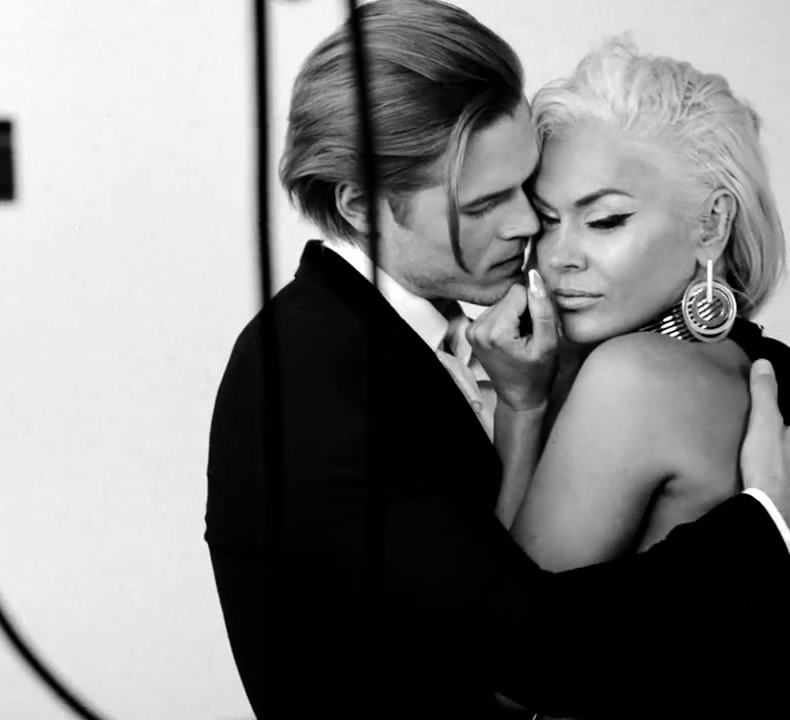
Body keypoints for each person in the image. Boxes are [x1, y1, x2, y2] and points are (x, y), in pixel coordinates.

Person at [203, 2, 790, 718]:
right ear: (361, 206)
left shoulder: (530, 355)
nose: (528, 231)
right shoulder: (310, 369)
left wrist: (523, 407)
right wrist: (765, 523)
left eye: (526, 192)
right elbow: (535, 655)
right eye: (486, 204)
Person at [470, 38, 790, 576]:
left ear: (711, 224)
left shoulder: (631, 378)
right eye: (547, 220)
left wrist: (520, 411)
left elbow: (502, 620)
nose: (559, 256)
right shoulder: (748, 367)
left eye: (605, 221)